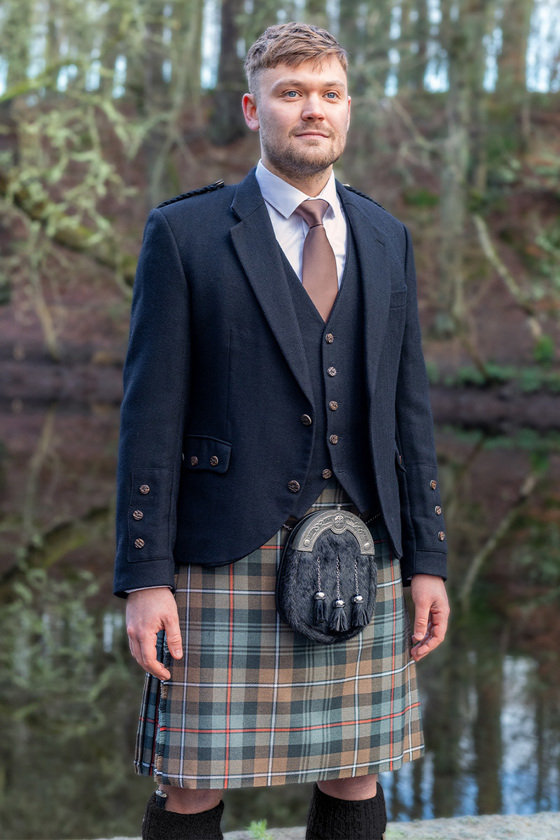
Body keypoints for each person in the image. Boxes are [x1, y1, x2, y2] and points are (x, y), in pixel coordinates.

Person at [115, 21, 450, 840]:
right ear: (252, 108)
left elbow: (409, 409)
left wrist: (429, 559)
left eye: (329, 94)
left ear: (349, 111)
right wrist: (143, 576)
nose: (313, 110)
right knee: (190, 780)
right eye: (291, 93)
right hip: (224, 542)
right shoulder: (186, 234)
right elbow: (148, 418)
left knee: (355, 766)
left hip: (364, 537)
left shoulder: (384, 236)